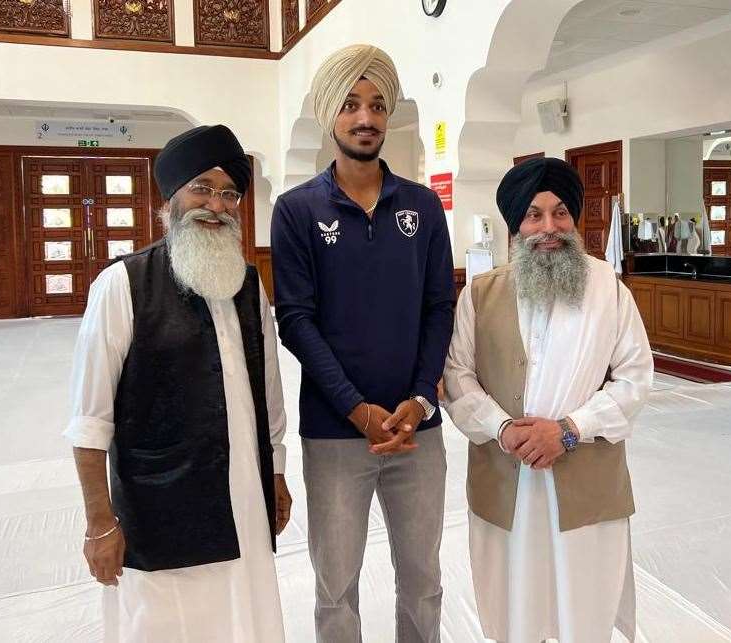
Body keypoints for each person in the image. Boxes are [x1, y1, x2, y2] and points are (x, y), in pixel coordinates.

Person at [64, 124, 291, 642]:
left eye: (228, 192)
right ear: (171, 198)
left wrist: (275, 472)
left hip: (244, 500)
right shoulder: (121, 285)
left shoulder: (247, 283)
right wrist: (100, 523)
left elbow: (268, 394)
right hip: (158, 506)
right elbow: (88, 422)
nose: (215, 203)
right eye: (201, 188)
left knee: (244, 619)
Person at [271, 44, 455, 643]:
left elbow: (438, 307)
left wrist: (422, 397)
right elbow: (296, 320)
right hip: (334, 433)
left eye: (377, 104)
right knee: (335, 588)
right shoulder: (296, 211)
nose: (366, 117)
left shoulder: (424, 207)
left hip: (416, 433)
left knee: (424, 580)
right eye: (350, 103)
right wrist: (355, 407)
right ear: (331, 114)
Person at [443, 157, 654, 643]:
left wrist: (568, 429)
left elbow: (635, 378)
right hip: (506, 476)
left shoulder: (607, 288)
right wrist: (502, 428)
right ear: (515, 225)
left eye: (560, 213)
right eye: (534, 215)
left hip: (584, 479)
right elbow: (457, 375)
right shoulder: (480, 293)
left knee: (583, 610)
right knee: (515, 609)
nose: (549, 228)